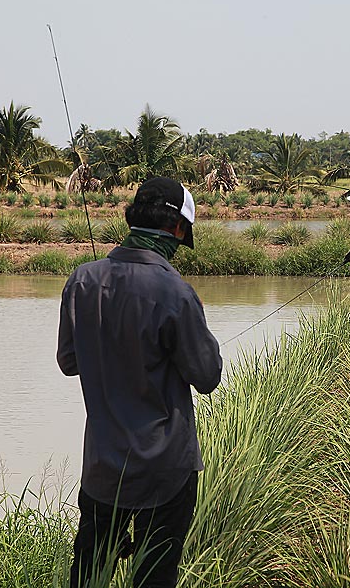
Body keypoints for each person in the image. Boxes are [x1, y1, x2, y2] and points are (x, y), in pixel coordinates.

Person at [57, 176, 223, 588]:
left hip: (102, 468)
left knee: (90, 576)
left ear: (134, 218)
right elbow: (206, 376)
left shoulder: (81, 281)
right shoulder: (176, 293)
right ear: (178, 230)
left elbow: (69, 361)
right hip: (164, 470)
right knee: (154, 578)